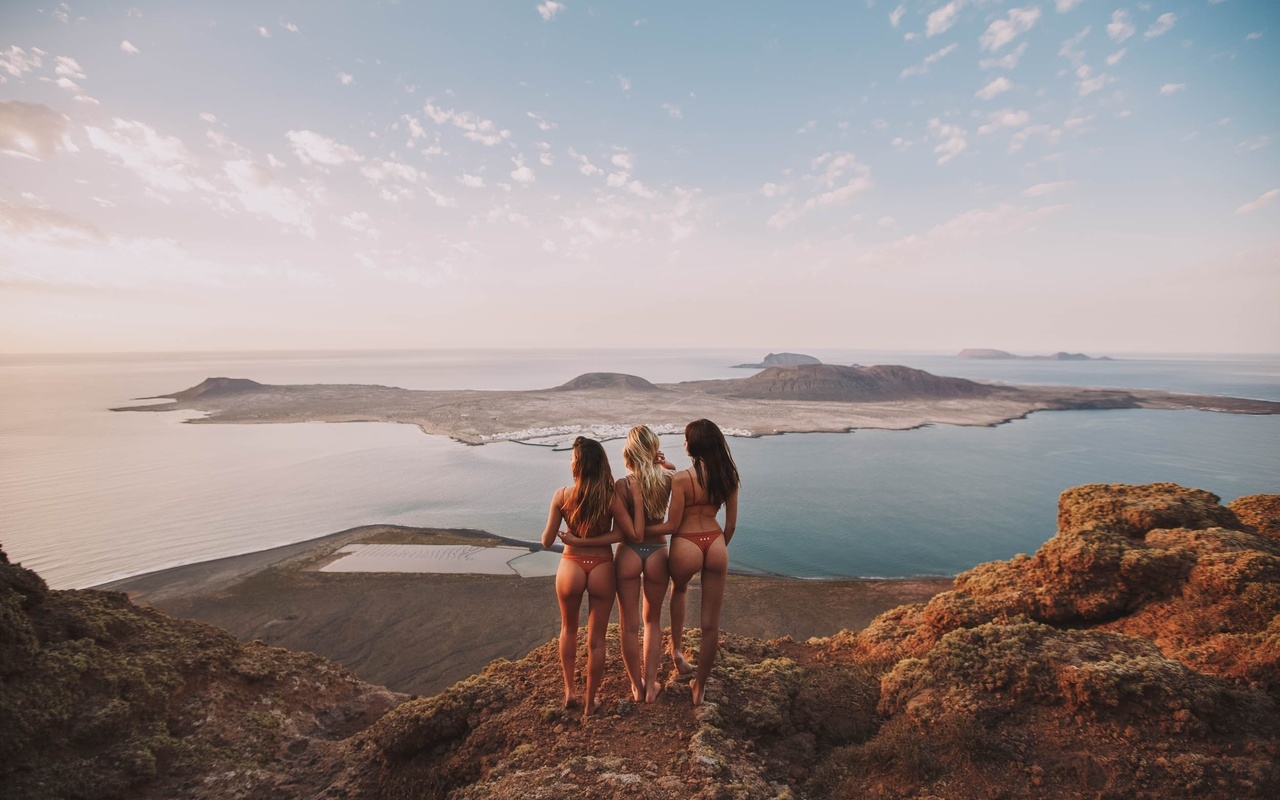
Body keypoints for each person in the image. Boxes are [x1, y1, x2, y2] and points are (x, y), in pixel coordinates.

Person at [541, 436, 643, 718]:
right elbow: (624, 533)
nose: (570, 461)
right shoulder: (609, 496)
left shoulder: (561, 495)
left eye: (572, 458)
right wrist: (593, 541)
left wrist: (575, 539)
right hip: (601, 567)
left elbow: (547, 541)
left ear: (579, 465)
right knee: (597, 640)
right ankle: (589, 703)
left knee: (568, 630)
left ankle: (569, 693)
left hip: (570, 566)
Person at [649, 419, 740, 706]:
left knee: (680, 589)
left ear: (695, 445)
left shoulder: (681, 480)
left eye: (687, 439)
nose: (684, 443)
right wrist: (716, 549)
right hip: (714, 542)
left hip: (686, 543)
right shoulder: (728, 476)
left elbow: (671, 525)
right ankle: (699, 688)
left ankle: (677, 652)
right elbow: (732, 527)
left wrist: (637, 532)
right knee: (710, 625)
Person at [614, 425, 677, 704]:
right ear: (653, 450)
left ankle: (636, 687)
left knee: (628, 625)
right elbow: (673, 470)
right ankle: (651, 686)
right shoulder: (668, 478)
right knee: (652, 621)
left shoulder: (623, 484)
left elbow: (620, 527)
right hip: (657, 552)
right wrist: (662, 463)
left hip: (627, 551)